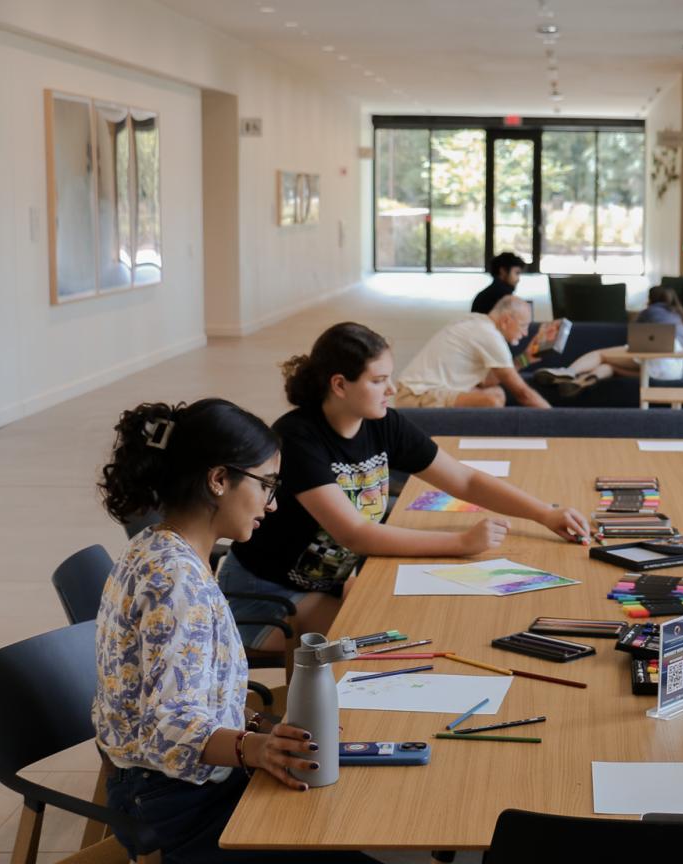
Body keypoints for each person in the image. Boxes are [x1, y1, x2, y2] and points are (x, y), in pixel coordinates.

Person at [93, 398, 369, 863]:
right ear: (219, 480)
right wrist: (256, 748)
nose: (274, 503)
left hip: (182, 782)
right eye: (266, 485)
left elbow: (193, 692)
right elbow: (167, 727)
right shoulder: (176, 582)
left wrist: (267, 727)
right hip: (175, 804)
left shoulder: (161, 545)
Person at [223, 322, 590, 636]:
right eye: (379, 380)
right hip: (267, 593)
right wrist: (461, 542)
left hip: (326, 582)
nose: (393, 389)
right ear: (339, 385)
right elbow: (356, 534)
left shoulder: (383, 424)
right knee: (385, 634)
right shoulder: (298, 440)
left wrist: (545, 514)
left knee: (404, 626)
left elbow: (465, 481)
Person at [532, 285, 683, 398]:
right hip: (673, 372)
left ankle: (568, 372)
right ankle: (581, 382)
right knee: (610, 367)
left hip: (657, 355)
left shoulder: (652, 311)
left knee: (601, 355)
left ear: (651, 299)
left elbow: (636, 333)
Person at [393, 295, 551, 408]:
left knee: (496, 393)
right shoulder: (490, 336)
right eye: (523, 326)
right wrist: (558, 421)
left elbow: (486, 381)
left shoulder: (478, 322)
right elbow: (523, 394)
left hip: (420, 389)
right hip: (415, 395)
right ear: (506, 321)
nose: (525, 333)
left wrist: (525, 359)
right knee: (492, 401)